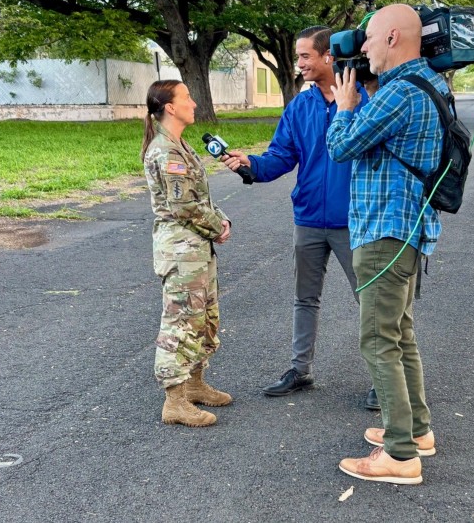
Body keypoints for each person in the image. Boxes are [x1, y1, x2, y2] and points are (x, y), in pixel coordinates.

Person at [221, 26, 378, 407]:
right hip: (308, 218)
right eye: (298, 56)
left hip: (355, 220)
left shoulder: (367, 97)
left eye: (305, 56)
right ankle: (300, 369)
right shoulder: (300, 106)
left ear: (329, 57)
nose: (299, 63)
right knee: (305, 298)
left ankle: (382, 379)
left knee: (373, 303)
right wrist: (250, 165)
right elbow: (281, 156)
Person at [326, 4, 448, 484]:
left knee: (379, 340)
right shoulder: (426, 84)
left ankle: (400, 456)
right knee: (400, 335)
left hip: (383, 231)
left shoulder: (399, 93)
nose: (364, 49)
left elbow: (341, 146)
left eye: (370, 39)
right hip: (406, 230)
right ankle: (415, 431)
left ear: (394, 37)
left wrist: (344, 107)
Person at [142, 79, 232, 427]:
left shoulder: (180, 145)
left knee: (202, 317)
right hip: (182, 251)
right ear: (170, 107)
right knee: (180, 322)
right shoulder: (165, 152)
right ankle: (175, 401)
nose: (194, 103)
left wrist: (221, 220)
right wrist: (217, 227)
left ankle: (194, 384)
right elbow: (183, 206)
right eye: (187, 98)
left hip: (196, 248)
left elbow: (200, 200)